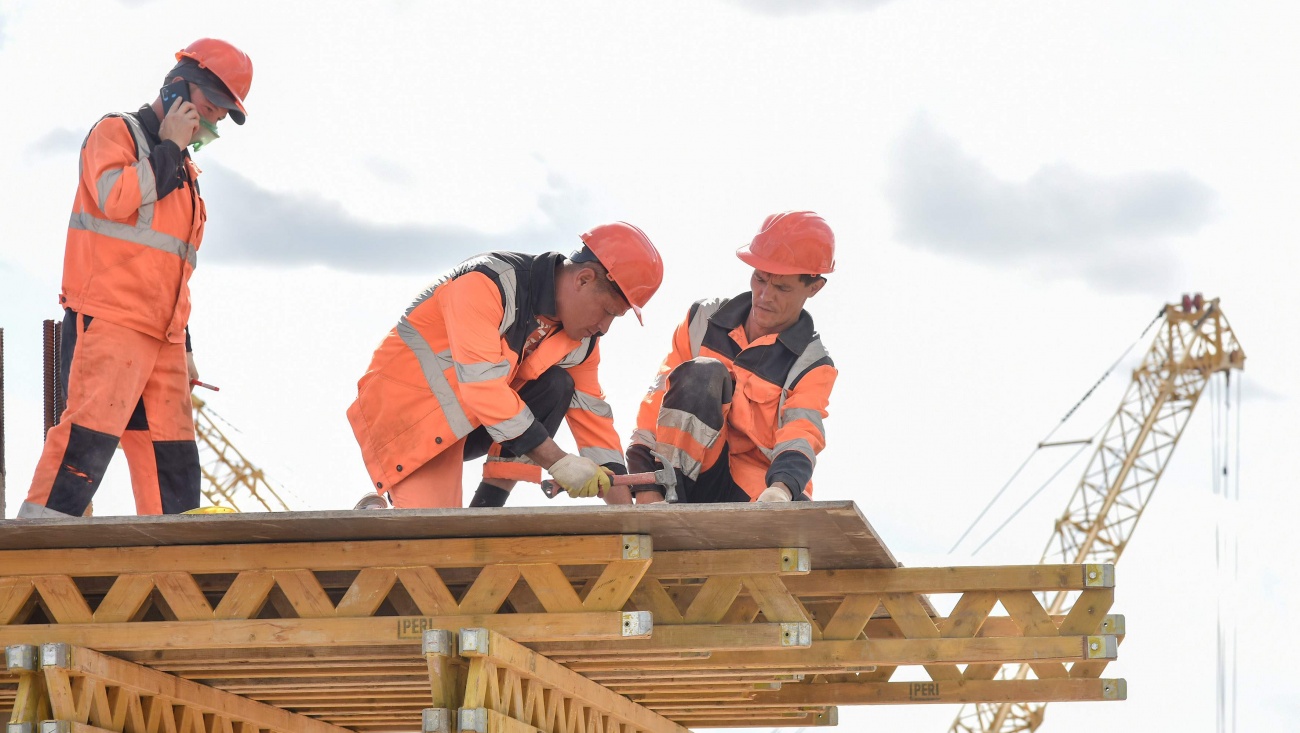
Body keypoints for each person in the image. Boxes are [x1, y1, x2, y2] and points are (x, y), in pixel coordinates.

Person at [18, 39, 254, 518]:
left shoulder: (185, 171)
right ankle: (37, 550)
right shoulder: (117, 132)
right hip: (111, 322)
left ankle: (177, 562)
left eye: (222, 115)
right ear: (178, 89)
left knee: (174, 466)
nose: (213, 121)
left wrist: (184, 343)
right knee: (84, 447)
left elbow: (172, 269)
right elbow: (116, 199)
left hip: (164, 338)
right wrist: (169, 146)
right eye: (211, 106)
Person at [347, 223, 664, 508]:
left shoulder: (580, 341)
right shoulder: (486, 283)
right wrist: (558, 461)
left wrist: (627, 516)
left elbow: (594, 422)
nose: (604, 327)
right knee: (431, 539)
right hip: (405, 414)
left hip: (469, 418)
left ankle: (486, 512)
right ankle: (376, 516)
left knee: (557, 385)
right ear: (583, 279)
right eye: (607, 311)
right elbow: (483, 388)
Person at [626, 211, 836, 504]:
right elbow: (658, 400)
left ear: (814, 287)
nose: (764, 295)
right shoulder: (702, 320)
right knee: (702, 373)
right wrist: (644, 482)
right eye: (760, 279)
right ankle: (672, 501)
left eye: (782, 288)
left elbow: (801, 433)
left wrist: (781, 490)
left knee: (801, 513)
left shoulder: (812, 365)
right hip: (684, 479)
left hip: (754, 490)